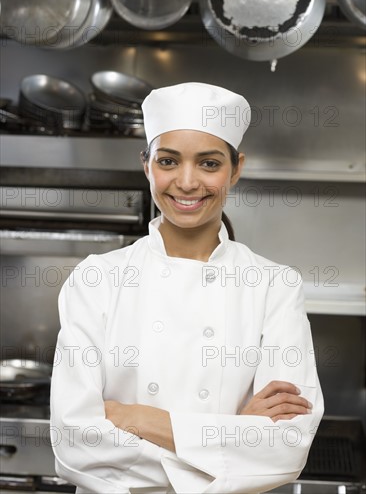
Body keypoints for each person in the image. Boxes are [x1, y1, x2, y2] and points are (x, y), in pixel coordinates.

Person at [50, 82, 324, 494]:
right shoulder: (97, 280)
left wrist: (139, 419)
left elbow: (286, 447)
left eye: (209, 164)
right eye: (168, 161)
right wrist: (234, 435)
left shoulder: (274, 286)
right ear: (147, 166)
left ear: (236, 168)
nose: (187, 182)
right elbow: (75, 444)